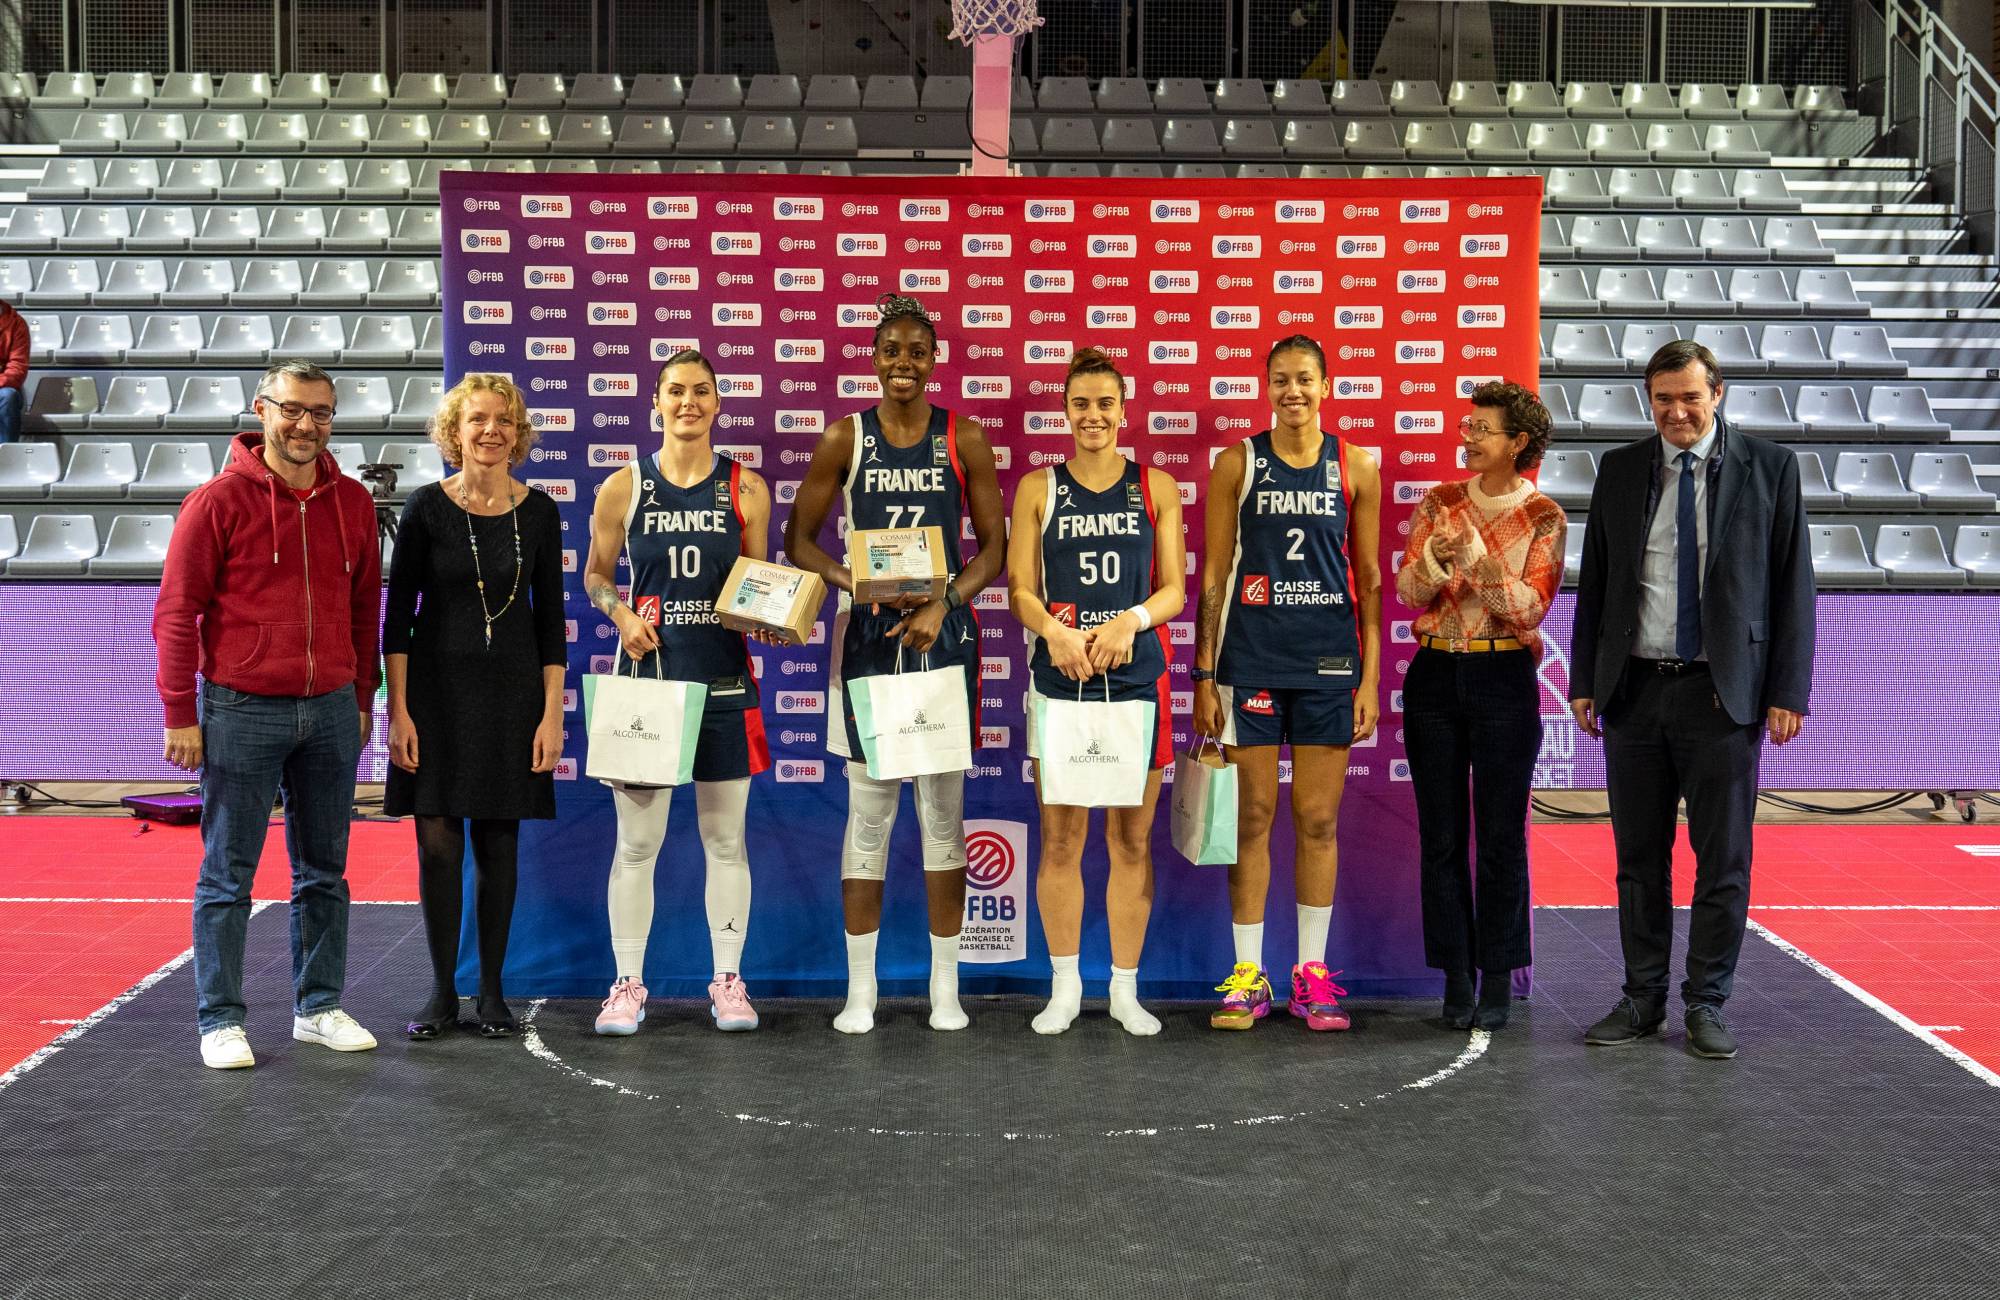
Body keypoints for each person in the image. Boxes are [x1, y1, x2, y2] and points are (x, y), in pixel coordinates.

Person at [1570, 339, 1815, 1060]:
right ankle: (1642, 999)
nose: (1677, 411)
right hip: (1636, 692)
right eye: (1663, 399)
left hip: (1723, 697)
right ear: (1648, 401)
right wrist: (1586, 679)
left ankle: (1706, 1001)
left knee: (1724, 861)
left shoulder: (1771, 468)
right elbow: (1599, 586)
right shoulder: (1618, 471)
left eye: (1690, 397)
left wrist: (1787, 689)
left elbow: (1792, 586)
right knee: (1637, 859)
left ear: (1719, 394)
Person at [783, 293, 1007, 1034]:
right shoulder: (844, 439)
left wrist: (945, 600)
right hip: (869, 646)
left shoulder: (963, 437)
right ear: (874, 359)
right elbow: (800, 542)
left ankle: (946, 990)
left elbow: (995, 550)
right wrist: (857, 585)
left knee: (944, 820)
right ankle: (862, 991)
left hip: (941, 642)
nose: (902, 363)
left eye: (916, 351)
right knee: (868, 818)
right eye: (890, 351)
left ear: (934, 360)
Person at [154, 360, 383, 1069]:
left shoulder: (352, 502)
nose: (306, 424)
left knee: (325, 871)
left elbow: (363, 608)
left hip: (331, 711)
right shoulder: (216, 502)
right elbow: (176, 613)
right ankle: (219, 1019)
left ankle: (318, 1007)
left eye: (321, 412)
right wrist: (179, 712)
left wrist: (362, 696)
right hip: (239, 709)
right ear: (263, 410)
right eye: (293, 410)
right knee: (228, 874)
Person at [1192, 334, 1382, 1033]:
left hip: (1329, 666)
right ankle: (1248, 976)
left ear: (1326, 386)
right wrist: (1205, 672)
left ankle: (1311, 975)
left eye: (1304, 379)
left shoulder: (1355, 466)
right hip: (1251, 663)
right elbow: (1213, 577)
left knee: (1319, 820)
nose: (1292, 391)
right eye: (1279, 380)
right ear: (1265, 387)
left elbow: (1369, 580)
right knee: (1251, 821)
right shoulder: (1237, 463)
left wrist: (1369, 676)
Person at [583, 350, 776, 1037]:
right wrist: (620, 614)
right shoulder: (624, 486)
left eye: (701, 392)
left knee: (727, 843)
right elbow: (596, 576)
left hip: (724, 685)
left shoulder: (747, 489)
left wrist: (773, 621)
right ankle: (627, 985)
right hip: (649, 689)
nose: (688, 402)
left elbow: (756, 587)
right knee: (636, 847)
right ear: (655, 404)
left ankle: (728, 980)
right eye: (675, 392)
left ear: (718, 404)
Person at [1007, 347, 1185, 1036]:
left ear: (1123, 408)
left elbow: (1172, 589)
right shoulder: (1038, 487)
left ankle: (1124, 989)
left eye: (1105, 403)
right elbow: (1020, 588)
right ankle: (1065, 987)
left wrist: (1129, 622)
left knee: (1132, 841)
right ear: (1066, 410)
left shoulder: (1156, 487)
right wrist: (1052, 629)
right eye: (1081, 403)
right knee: (1060, 840)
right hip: (1061, 683)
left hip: (1136, 684)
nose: (1093, 415)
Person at [383, 374, 565, 1041]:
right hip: (434, 696)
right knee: (436, 848)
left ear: (518, 433)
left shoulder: (540, 512)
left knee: (498, 844)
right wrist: (397, 711)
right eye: (476, 420)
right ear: (453, 432)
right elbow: (398, 617)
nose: (491, 432)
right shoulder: (426, 508)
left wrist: (552, 715)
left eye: (503, 421)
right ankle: (440, 990)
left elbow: (552, 625)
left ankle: (491, 993)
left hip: (514, 698)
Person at [1394, 383, 1565, 1032]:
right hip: (1434, 676)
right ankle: (1456, 978)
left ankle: (1499, 976)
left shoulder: (1545, 515)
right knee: (1440, 838)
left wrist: (1476, 559)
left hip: (1503, 679)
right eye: (1466, 426)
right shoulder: (1438, 502)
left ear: (1517, 443)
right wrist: (1435, 563)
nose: (1466, 436)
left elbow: (1529, 609)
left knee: (1499, 838)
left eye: (1482, 429)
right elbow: (1409, 592)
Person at [0, 295, 27, 444]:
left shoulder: (16, 324)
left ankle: (5, 459)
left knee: (7, 396)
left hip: (2, 387)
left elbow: (18, 367)